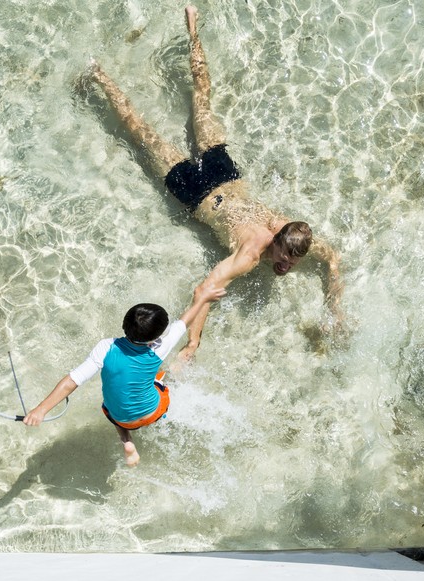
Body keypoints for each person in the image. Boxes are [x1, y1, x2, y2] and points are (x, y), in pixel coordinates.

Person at [85, 5, 344, 363]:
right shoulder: (250, 255)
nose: (285, 267)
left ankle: (192, 29)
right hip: (194, 189)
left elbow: (333, 259)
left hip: (225, 174)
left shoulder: (293, 236)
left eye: (290, 262)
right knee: (139, 130)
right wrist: (192, 343)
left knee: (201, 98)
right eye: (283, 260)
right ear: (277, 241)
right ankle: (98, 74)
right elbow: (204, 289)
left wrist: (335, 308)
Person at [23, 284, 226, 466]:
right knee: (165, 377)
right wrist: (202, 298)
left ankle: (127, 442)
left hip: (120, 417)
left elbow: (71, 381)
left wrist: (41, 410)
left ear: (125, 324)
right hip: (152, 412)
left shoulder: (105, 347)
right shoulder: (159, 348)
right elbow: (184, 321)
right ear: (156, 337)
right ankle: (168, 384)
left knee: (110, 405)